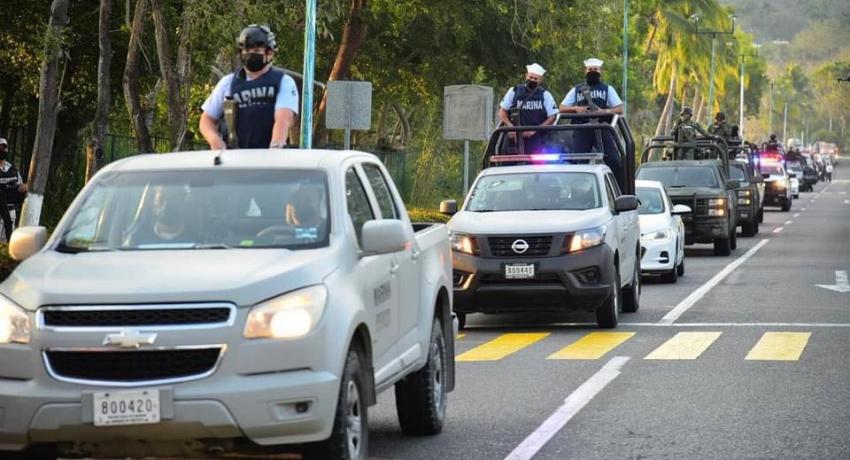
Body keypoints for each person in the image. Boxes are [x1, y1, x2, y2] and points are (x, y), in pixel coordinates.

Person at [199, 25, 299, 150]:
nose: (251, 55)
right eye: (246, 51)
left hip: (268, 157)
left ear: (270, 53)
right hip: (233, 158)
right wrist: (215, 141)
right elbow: (207, 119)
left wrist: (275, 149)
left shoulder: (283, 82)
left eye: (256, 51)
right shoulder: (228, 83)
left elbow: (283, 119)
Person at [496, 63, 559, 154]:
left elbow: (552, 117)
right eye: (530, 77)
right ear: (526, 76)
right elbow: (502, 111)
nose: (532, 80)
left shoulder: (545, 95)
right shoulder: (514, 91)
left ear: (540, 80)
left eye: (535, 79)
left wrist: (535, 130)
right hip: (514, 138)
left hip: (537, 138)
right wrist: (510, 126)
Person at [559, 58, 624, 115]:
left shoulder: (608, 89)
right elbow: (562, 108)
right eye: (590, 69)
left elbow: (620, 109)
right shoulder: (576, 89)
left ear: (600, 71)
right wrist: (576, 109)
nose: (592, 71)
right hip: (579, 127)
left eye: (595, 69)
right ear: (585, 71)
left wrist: (603, 111)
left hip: (601, 127)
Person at [0, 138, 28, 241]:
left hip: (11, 212)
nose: (2, 150)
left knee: (9, 242)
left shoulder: (12, 169)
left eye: (4, 147)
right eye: (0, 147)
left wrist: (22, 188)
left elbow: (19, 185)